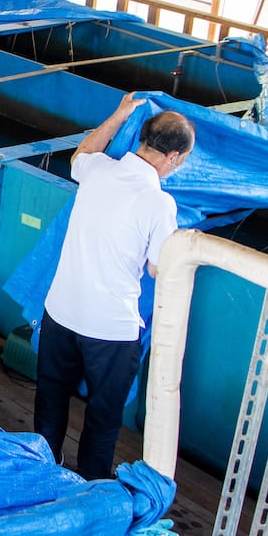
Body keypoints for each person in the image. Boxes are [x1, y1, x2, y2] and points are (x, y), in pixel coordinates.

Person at [32, 93, 195, 480]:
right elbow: (158, 269)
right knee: (103, 420)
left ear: (142, 138)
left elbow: (82, 152)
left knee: (50, 403)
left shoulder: (99, 170)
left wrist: (120, 114)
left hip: (61, 313)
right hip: (110, 330)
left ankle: (39, 476)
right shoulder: (160, 204)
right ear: (173, 158)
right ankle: (89, 495)